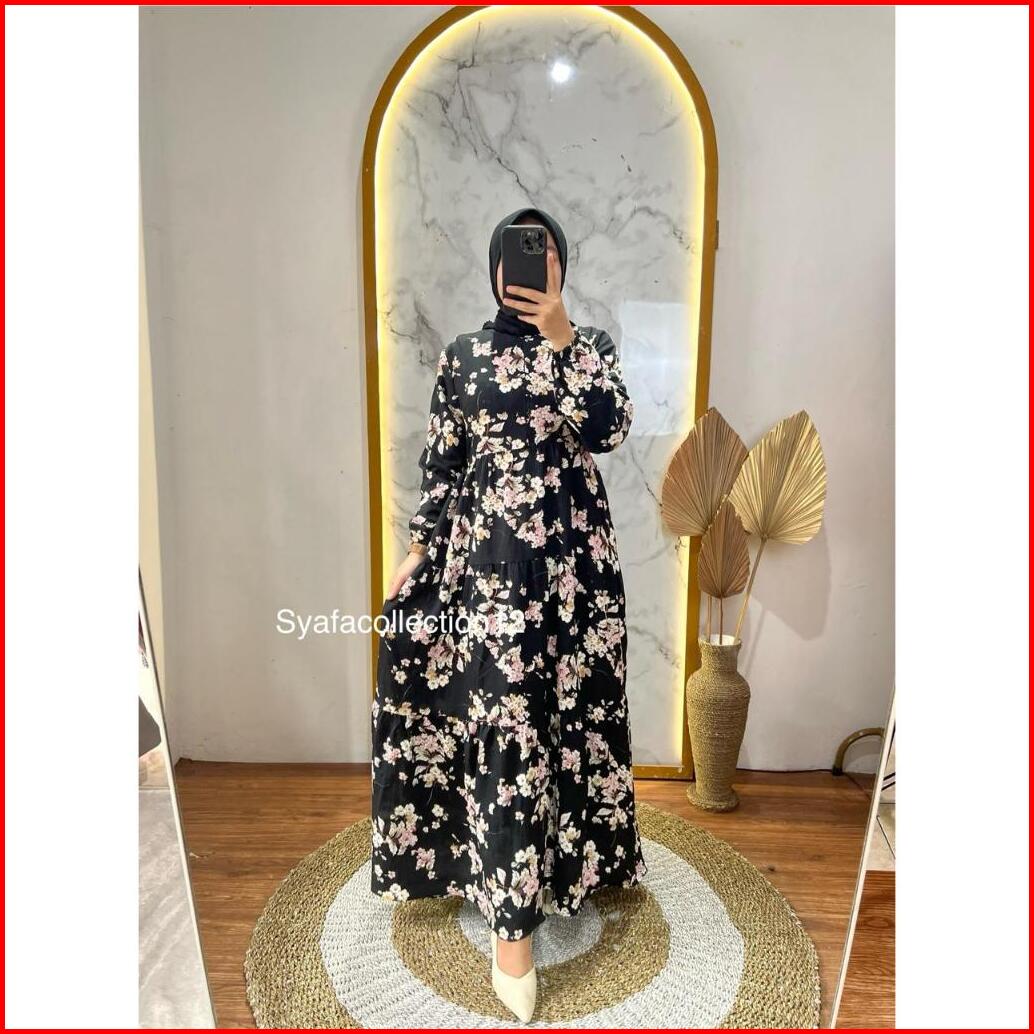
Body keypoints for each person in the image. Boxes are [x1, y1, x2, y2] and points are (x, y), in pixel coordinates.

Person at [370, 207, 646, 1023]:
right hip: (487, 569)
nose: (534, 264)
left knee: (568, 718)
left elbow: (610, 428)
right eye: (523, 253)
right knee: (507, 726)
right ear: (497, 265)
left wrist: (563, 339)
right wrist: (418, 547)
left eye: (547, 251)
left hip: (574, 575)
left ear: (562, 267)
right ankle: (510, 926)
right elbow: (444, 460)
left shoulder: (590, 347)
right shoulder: (463, 356)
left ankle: (568, 870)